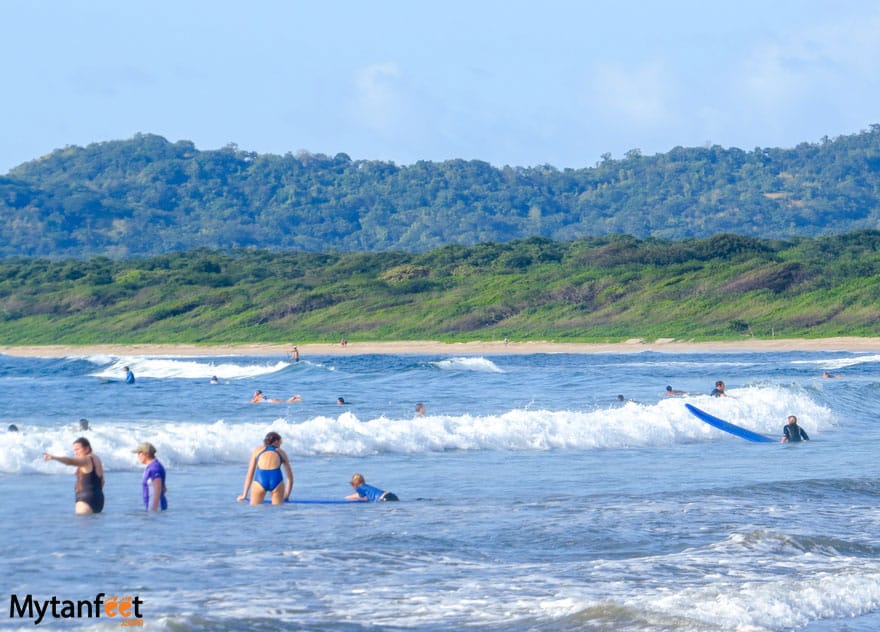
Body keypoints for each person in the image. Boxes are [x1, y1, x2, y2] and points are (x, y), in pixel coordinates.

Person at [43, 437, 105, 514]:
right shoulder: (96, 458)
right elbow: (102, 481)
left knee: (81, 523)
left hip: (85, 500)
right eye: (74, 450)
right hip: (99, 499)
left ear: (87, 448)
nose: (76, 452)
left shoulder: (86, 460)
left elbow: (70, 461)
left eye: (78, 449)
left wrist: (54, 457)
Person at [238, 431, 293, 505]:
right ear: (276, 441)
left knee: (255, 511)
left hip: (259, 481)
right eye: (280, 442)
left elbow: (250, 474)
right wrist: (286, 496)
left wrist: (244, 495)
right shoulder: (281, 452)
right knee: (277, 512)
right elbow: (290, 478)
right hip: (277, 481)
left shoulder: (257, 451)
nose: (280, 445)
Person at [134, 442, 167, 511]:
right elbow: (164, 488)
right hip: (154, 505)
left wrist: (154, 508)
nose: (138, 456)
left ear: (146, 454)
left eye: (139, 453)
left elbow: (158, 488)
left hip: (156, 507)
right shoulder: (153, 466)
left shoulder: (154, 468)